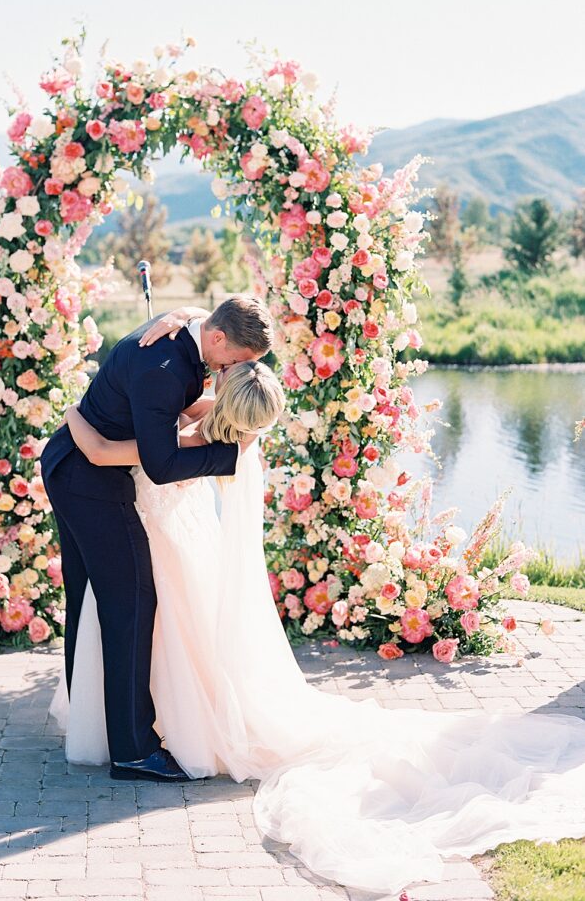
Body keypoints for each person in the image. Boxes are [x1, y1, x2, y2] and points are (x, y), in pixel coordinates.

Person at [50, 356, 585, 896]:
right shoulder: (215, 428)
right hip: (173, 538)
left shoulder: (208, 447)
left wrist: (77, 417)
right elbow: (183, 416)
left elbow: (116, 452)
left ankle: (147, 726)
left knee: (153, 629)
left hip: (161, 538)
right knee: (155, 631)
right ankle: (137, 719)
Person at [40, 294, 273, 782]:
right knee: (131, 603)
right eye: (236, 361)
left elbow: (197, 328)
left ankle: (100, 727)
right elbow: (162, 464)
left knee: (93, 602)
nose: (233, 372)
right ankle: (131, 750)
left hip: (81, 468)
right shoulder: (163, 368)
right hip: (89, 484)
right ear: (216, 338)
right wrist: (228, 457)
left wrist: (183, 310)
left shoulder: (193, 336)